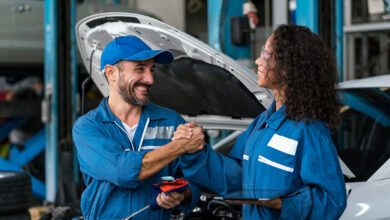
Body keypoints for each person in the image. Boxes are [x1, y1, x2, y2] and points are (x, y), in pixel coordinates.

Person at [173, 24, 347, 219]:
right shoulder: (261, 124)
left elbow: (332, 199)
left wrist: (283, 203)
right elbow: (235, 176)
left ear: (287, 68)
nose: (257, 61)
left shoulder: (308, 129)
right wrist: (197, 151)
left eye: (266, 54)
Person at [72, 35, 205, 220]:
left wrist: (182, 194)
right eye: (139, 69)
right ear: (111, 73)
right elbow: (123, 171)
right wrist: (180, 146)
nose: (150, 79)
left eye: (152, 70)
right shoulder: (89, 127)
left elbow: (196, 178)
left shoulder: (171, 121)